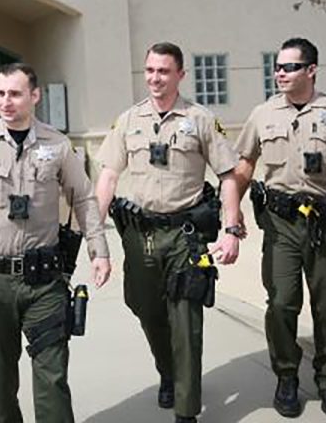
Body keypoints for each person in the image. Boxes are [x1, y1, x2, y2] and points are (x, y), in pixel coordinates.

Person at [0, 62, 112, 423]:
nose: (6, 101)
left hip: (44, 282)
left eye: (15, 94)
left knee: (52, 376)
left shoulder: (58, 145)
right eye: (1, 93)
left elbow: (83, 198)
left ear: (34, 96)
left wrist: (99, 250)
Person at [94, 42, 243, 423]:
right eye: (149, 71)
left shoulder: (201, 119)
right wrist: (95, 235)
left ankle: (186, 409)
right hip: (140, 236)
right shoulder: (128, 120)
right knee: (145, 309)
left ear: (180, 75)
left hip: (185, 235)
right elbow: (108, 175)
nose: (155, 78)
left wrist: (231, 229)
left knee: (186, 320)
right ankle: (168, 371)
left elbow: (228, 176)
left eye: (163, 71)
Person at [232, 37, 326, 418]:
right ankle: (286, 375)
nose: (279, 73)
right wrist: (231, 214)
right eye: (277, 67)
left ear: (311, 70)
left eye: (289, 67)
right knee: (282, 302)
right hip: (281, 223)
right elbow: (244, 166)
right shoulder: (262, 114)